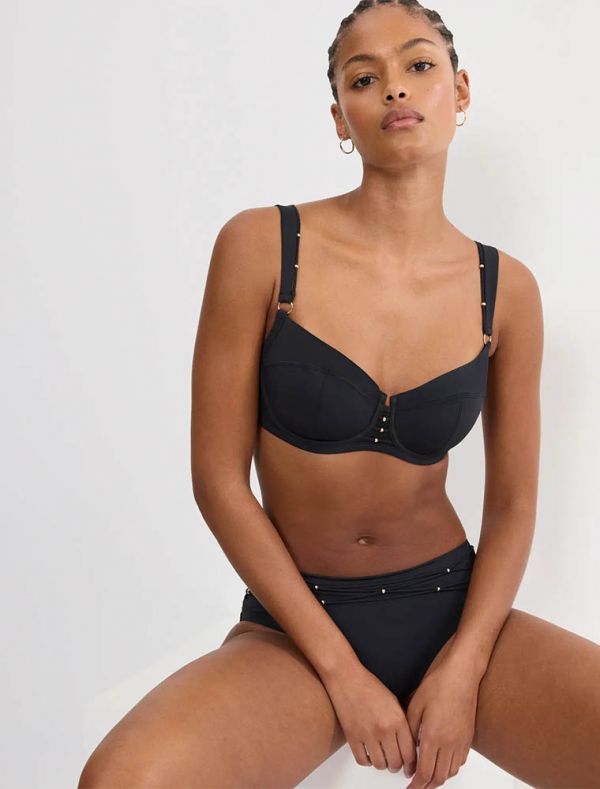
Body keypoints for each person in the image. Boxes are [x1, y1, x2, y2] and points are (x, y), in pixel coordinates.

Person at [78, 2, 600, 788]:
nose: (395, 88)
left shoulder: (506, 290)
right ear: (339, 119)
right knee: (125, 780)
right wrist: (341, 671)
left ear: (459, 91)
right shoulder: (262, 247)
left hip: (451, 609)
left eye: (418, 65)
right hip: (296, 628)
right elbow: (218, 482)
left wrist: (464, 666)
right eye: (364, 78)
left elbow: (514, 505)